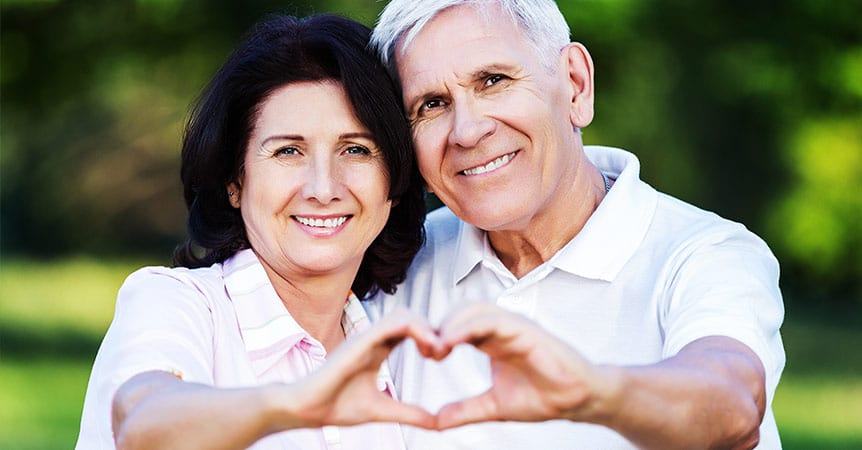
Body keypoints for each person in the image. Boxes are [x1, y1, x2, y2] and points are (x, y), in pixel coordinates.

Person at [365, 0, 786, 449]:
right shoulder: (399, 264)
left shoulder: (705, 253)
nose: (466, 131)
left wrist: (588, 392)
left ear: (575, 85)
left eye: (493, 81)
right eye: (431, 104)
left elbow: (734, 403)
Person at [76, 14, 439, 450]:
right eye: (288, 150)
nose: (323, 188)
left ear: (394, 184)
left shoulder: (396, 351)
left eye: (356, 149)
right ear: (235, 180)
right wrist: (297, 403)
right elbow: (141, 423)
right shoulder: (175, 304)